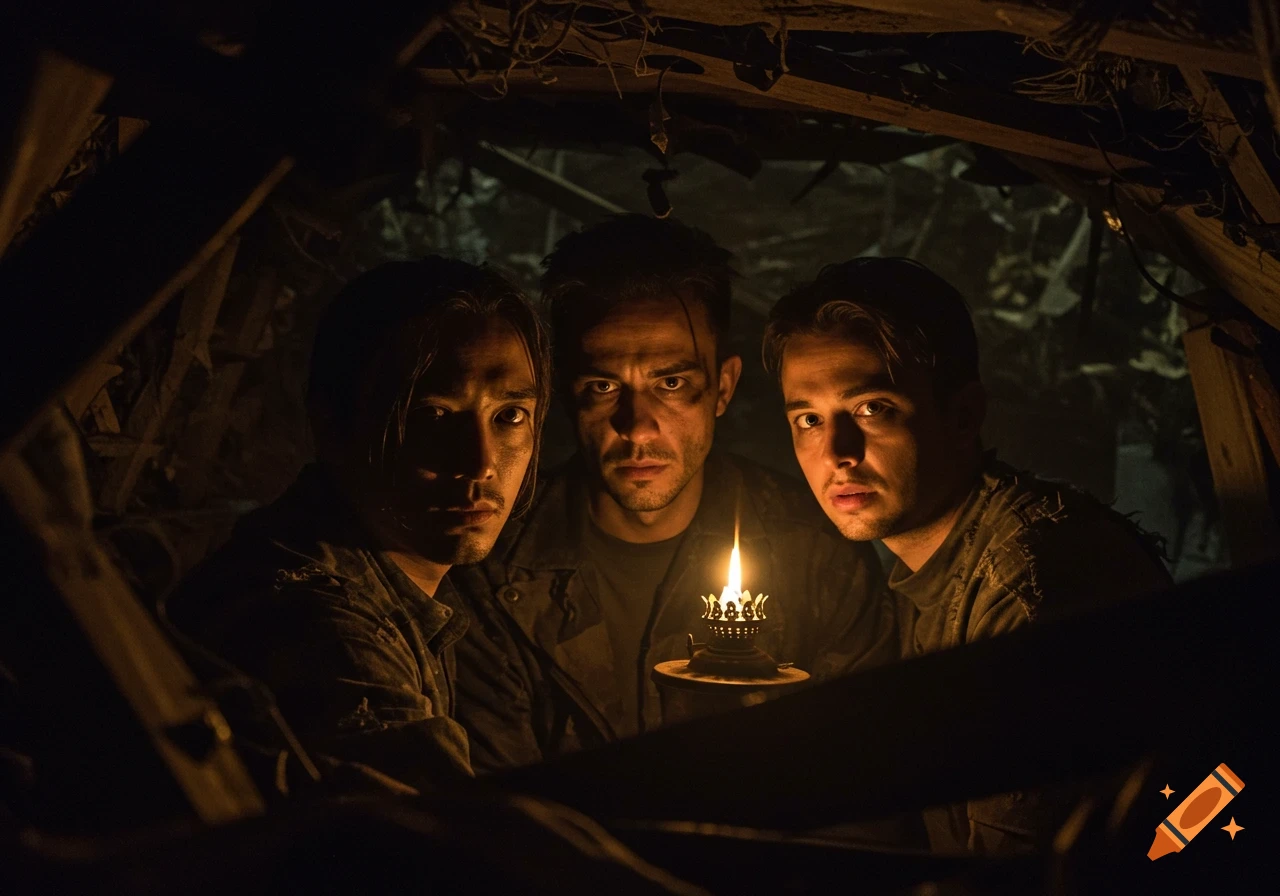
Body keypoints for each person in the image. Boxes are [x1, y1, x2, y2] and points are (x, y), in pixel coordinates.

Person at [452, 215, 895, 772]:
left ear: (723, 388)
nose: (636, 427)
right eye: (603, 386)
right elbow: (497, 813)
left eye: (671, 383)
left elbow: (860, 783)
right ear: (564, 394)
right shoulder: (490, 566)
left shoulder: (815, 555)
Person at [763, 256, 1173, 853]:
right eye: (808, 419)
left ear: (963, 414)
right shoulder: (924, 566)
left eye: (872, 408)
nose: (837, 452)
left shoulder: (1028, 585)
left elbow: (1019, 878)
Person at [169, 257, 550, 791]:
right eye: (434, 415)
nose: (482, 461)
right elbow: (459, 845)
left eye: (509, 416)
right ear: (334, 424)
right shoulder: (318, 625)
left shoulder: (401, 592)